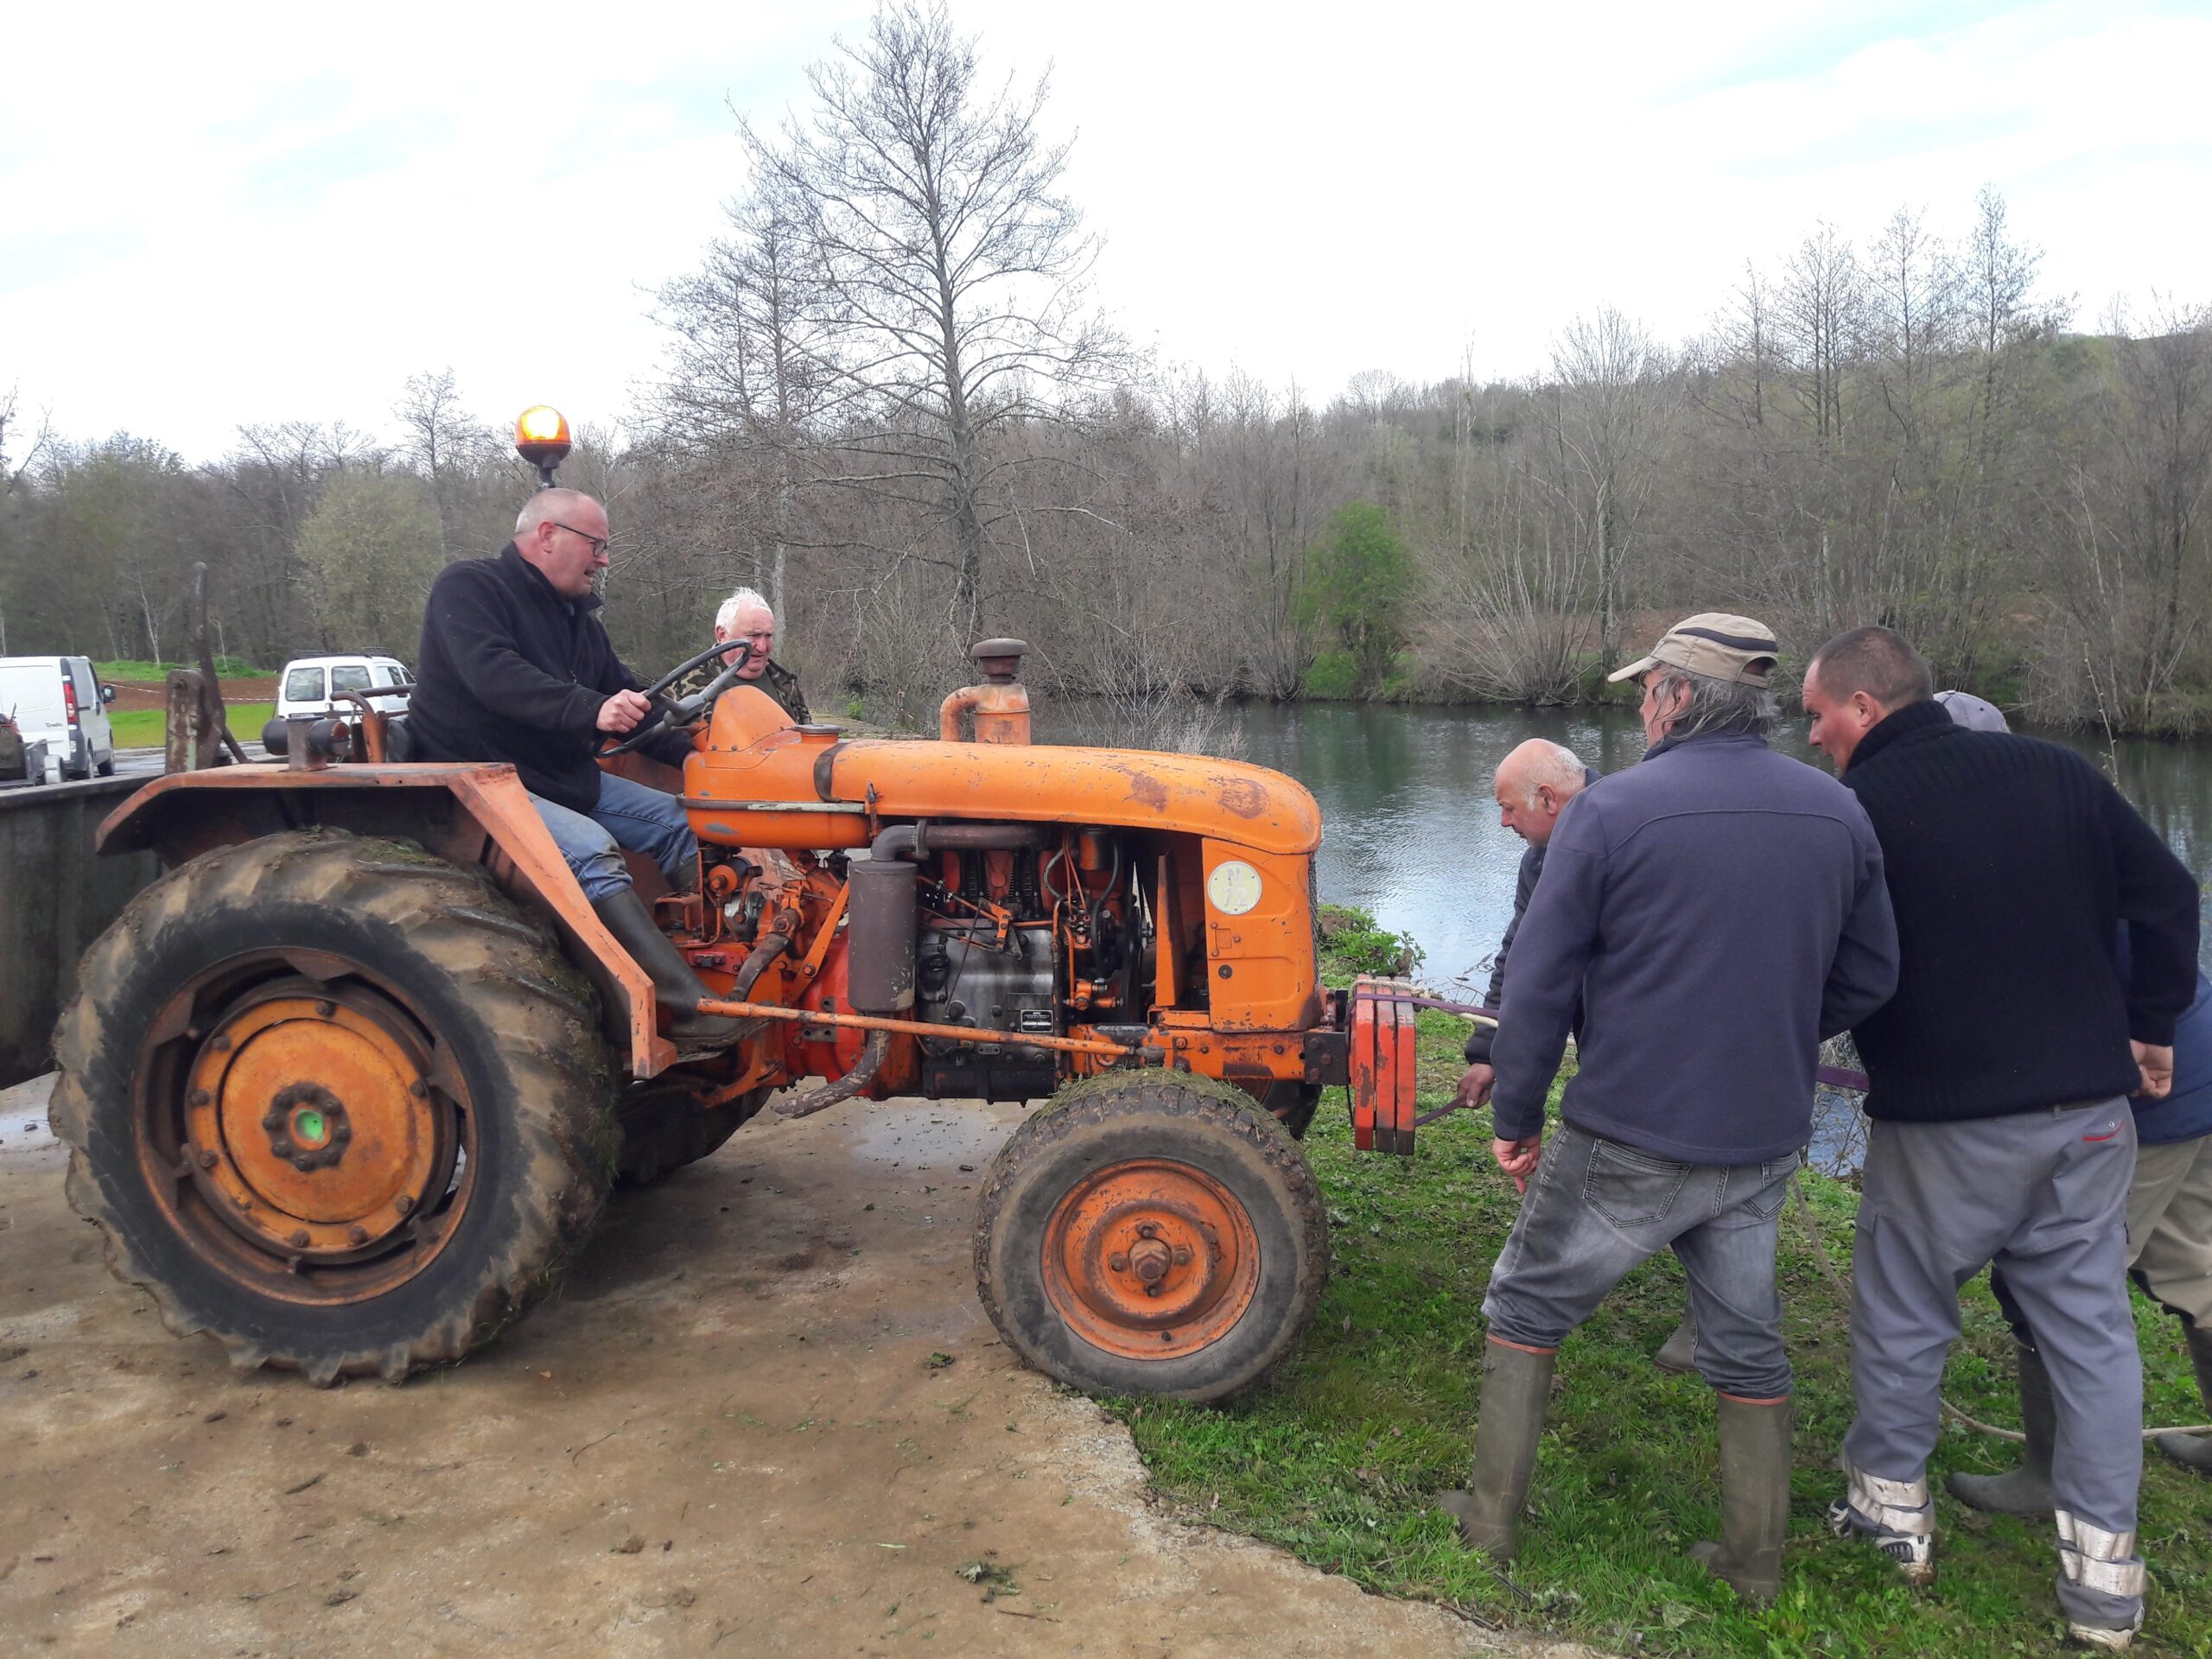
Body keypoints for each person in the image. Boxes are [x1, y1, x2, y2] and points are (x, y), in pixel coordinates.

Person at [1438, 613, 1899, 1607]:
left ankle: (1488, 1522)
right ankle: (1754, 1564)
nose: (1643, 708)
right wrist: (1775, 1027)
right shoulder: (1837, 810)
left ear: (1680, 698)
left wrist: (1515, 1113)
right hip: (1763, 1131)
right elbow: (1871, 973)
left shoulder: (1610, 812)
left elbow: (1540, 984)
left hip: (1627, 1126)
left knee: (1525, 1304)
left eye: (1648, 690)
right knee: (1746, 1341)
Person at [1803, 629, 2199, 1651]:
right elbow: (2169, 894)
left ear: (1864, 708)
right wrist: (2151, 1025)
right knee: (2092, 1336)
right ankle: (2104, 1586)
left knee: (1904, 1311)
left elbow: (1838, 964)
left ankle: (1891, 1515)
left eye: (1817, 714)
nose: (1811, 736)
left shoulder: (1857, 808)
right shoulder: (2057, 773)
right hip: (2090, 1114)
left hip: (1945, 1119)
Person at [1921, 698, 2212, 1511]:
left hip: (2146, 1089)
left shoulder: (2001, 857)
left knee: (2057, 1280)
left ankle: (2052, 1477)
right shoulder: (2070, 818)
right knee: (2199, 1266)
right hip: (2197, 1055)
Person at [408, 488, 746, 1050]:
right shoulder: (469, 588)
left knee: (686, 822)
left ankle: (738, 966)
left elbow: (631, 696)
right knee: (591, 851)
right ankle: (682, 1009)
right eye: (597, 545)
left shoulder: (579, 623)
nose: (604, 560)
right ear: (548, 535)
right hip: (474, 784)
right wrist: (592, 709)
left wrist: (693, 755)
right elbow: (495, 675)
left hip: (557, 777)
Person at [1451, 739, 1596, 1114]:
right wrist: (1488, 1054)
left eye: (1509, 808)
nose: (1504, 822)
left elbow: (1545, 981)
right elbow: (1519, 956)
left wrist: (1519, 1113)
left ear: (1547, 799)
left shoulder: (1629, 839)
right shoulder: (1537, 863)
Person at [669, 587, 810, 724]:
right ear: (722, 635)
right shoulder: (683, 685)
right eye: (753, 635)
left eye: (768, 636)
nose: (762, 647)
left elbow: (808, 734)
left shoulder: (786, 684)